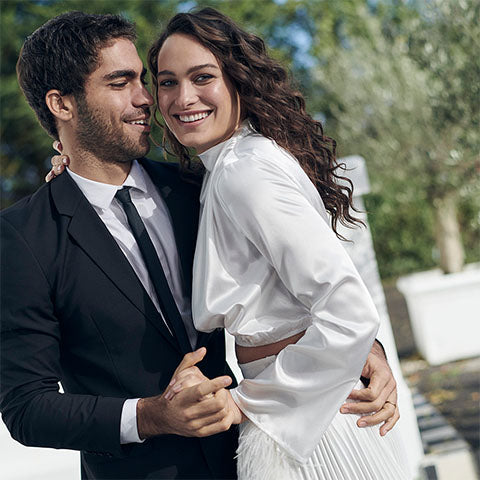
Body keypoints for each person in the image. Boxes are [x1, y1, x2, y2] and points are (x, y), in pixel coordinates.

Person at [5, 9, 397, 480]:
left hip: (261, 450)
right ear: (61, 104)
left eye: (144, 81)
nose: (146, 98)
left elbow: (302, 284)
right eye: (119, 83)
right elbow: (28, 408)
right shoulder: (24, 238)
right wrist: (151, 415)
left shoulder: (199, 185)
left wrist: (365, 351)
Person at [146, 8, 408, 480]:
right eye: (167, 82)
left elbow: (346, 307)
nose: (183, 98)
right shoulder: (235, 162)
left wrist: (244, 403)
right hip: (309, 411)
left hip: (307, 427)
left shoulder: (243, 171)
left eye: (202, 76)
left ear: (238, 80)